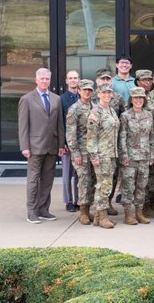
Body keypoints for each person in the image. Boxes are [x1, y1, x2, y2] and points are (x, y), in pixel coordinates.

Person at [19, 68, 65, 224]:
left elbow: (60, 125)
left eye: (47, 79)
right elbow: (23, 125)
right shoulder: (27, 99)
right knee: (33, 180)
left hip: (51, 146)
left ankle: (43, 209)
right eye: (42, 79)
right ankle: (31, 212)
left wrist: (60, 144)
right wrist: (24, 146)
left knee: (47, 180)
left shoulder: (56, 99)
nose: (45, 81)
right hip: (34, 146)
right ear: (36, 80)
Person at [119, 87, 154, 226]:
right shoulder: (125, 116)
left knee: (141, 186)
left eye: (141, 98)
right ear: (131, 99)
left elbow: (151, 137)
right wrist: (124, 156)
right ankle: (129, 214)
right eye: (136, 98)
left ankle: (139, 213)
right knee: (128, 187)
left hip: (145, 157)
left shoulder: (148, 115)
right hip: (130, 157)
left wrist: (152, 155)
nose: (139, 100)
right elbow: (122, 137)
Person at [86, 85, 120, 229]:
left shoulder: (111, 110)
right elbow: (91, 137)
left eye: (109, 92)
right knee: (103, 186)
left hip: (111, 154)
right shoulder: (96, 112)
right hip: (101, 154)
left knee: (106, 185)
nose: (107, 95)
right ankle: (102, 217)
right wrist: (94, 155)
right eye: (104, 92)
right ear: (98, 94)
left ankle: (98, 218)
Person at [65, 79, 96, 225]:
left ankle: (89, 208)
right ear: (79, 91)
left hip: (94, 152)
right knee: (84, 181)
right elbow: (70, 134)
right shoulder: (74, 109)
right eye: (84, 90)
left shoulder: (95, 107)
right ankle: (83, 211)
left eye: (89, 89)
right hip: (81, 152)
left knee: (93, 181)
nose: (87, 92)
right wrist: (75, 153)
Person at [59, 70, 81, 213]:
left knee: (80, 174)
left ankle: (78, 200)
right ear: (67, 81)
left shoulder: (83, 97)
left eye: (75, 78)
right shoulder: (61, 99)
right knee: (67, 173)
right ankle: (68, 201)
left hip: (82, 142)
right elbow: (59, 123)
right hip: (67, 142)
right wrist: (62, 143)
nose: (73, 80)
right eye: (70, 78)